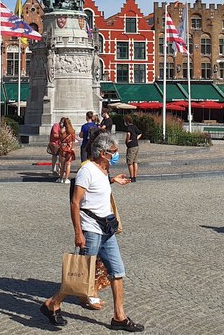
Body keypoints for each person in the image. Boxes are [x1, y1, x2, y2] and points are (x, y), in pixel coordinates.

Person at [41, 133, 144, 332]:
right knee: (81, 274)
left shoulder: (104, 169)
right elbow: (75, 202)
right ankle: (52, 303)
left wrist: (113, 180)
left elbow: (98, 189)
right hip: (90, 230)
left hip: (107, 230)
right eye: (113, 152)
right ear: (103, 153)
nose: (116, 155)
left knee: (117, 271)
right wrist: (78, 232)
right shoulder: (86, 170)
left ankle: (119, 317)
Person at [57, 118, 76, 184]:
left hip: (63, 148)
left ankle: (61, 178)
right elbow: (73, 140)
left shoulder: (62, 130)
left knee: (62, 165)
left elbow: (59, 138)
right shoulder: (72, 131)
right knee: (68, 164)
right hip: (70, 148)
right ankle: (66, 179)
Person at [124, 116, 142, 182]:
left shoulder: (128, 128)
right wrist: (136, 139)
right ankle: (135, 176)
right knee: (135, 162)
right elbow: (140, 133)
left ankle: (132, 177)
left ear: (127, 122)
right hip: (136, 145)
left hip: (131, 146)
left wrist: (128, 140)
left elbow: (128, 134)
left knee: (130, 162)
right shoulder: (134, 126)